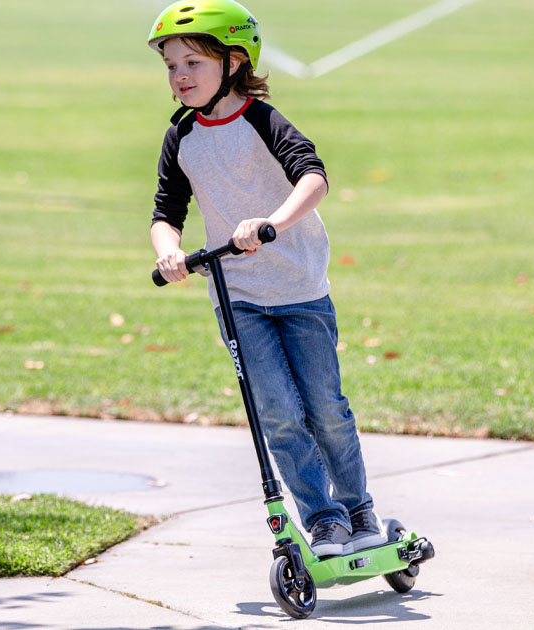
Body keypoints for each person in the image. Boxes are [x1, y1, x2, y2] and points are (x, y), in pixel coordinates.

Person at [147, 0, 386, 558]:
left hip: (300, 288)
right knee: (276, 412)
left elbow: (313, 177)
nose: (179, 76)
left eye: (192, 63)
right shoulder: (181, 137)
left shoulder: (260, 119)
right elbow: (165, 213)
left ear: (233, 62)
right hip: (239, 299)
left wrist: (272, 223)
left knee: (325, 407)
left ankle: (358, 509)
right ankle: (324, 520)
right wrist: (170, 253)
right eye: (171, 66)